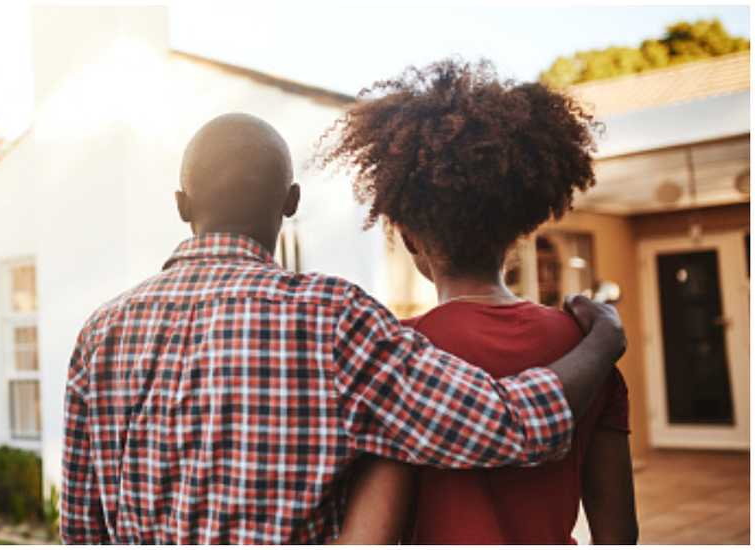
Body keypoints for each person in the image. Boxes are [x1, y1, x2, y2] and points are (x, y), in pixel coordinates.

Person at [60, 112, 626, 544]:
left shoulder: (99, 335)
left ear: (183, 206)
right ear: (290, 202)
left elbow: (81, 533)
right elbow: (508, 424)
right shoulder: (332, 320)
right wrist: (602, 339)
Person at [327, 59, 638, 544]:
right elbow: (618, 533)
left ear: (409, 239)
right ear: (519, 230)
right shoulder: (588, 349)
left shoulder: (398, 355)